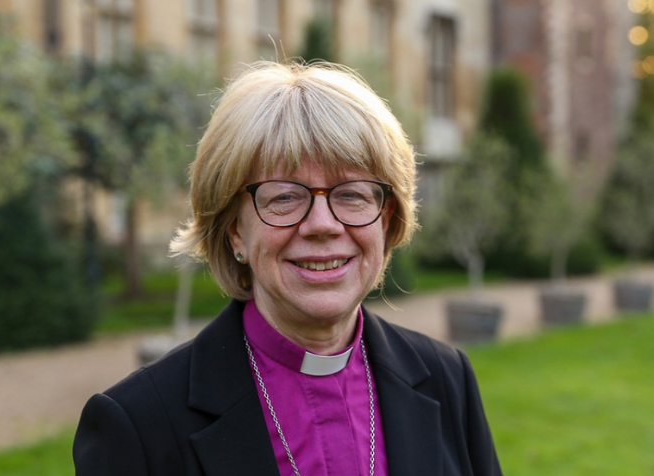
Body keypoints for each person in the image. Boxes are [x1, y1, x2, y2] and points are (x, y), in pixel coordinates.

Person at [73, 61, 502, 476]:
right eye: (284, 197)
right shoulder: (138, 426)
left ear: (386, 219)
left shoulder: (448, 379)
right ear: (234, 230)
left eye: (352, 194)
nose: (323, 225)